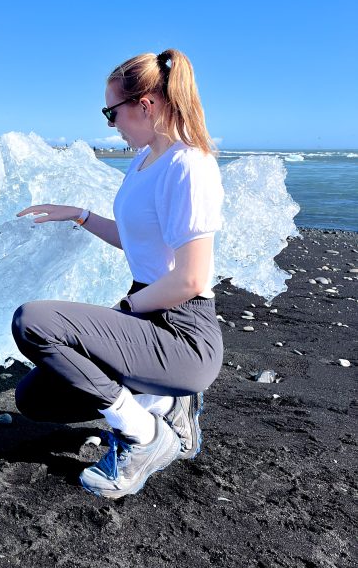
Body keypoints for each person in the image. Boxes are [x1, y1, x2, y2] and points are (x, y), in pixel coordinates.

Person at [13, 49, 224, 500]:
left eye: (112, 112)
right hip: (147, 316)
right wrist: (81, 215)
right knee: (35, 399)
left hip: (182, 331)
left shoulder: (189, 166)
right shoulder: (144, 161)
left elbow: (190, 278)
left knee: (33, 322)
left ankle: (145, 435)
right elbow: (140, 240)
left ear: (146, 105)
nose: (110, 124)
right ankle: (166, 402)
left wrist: (125, 311)